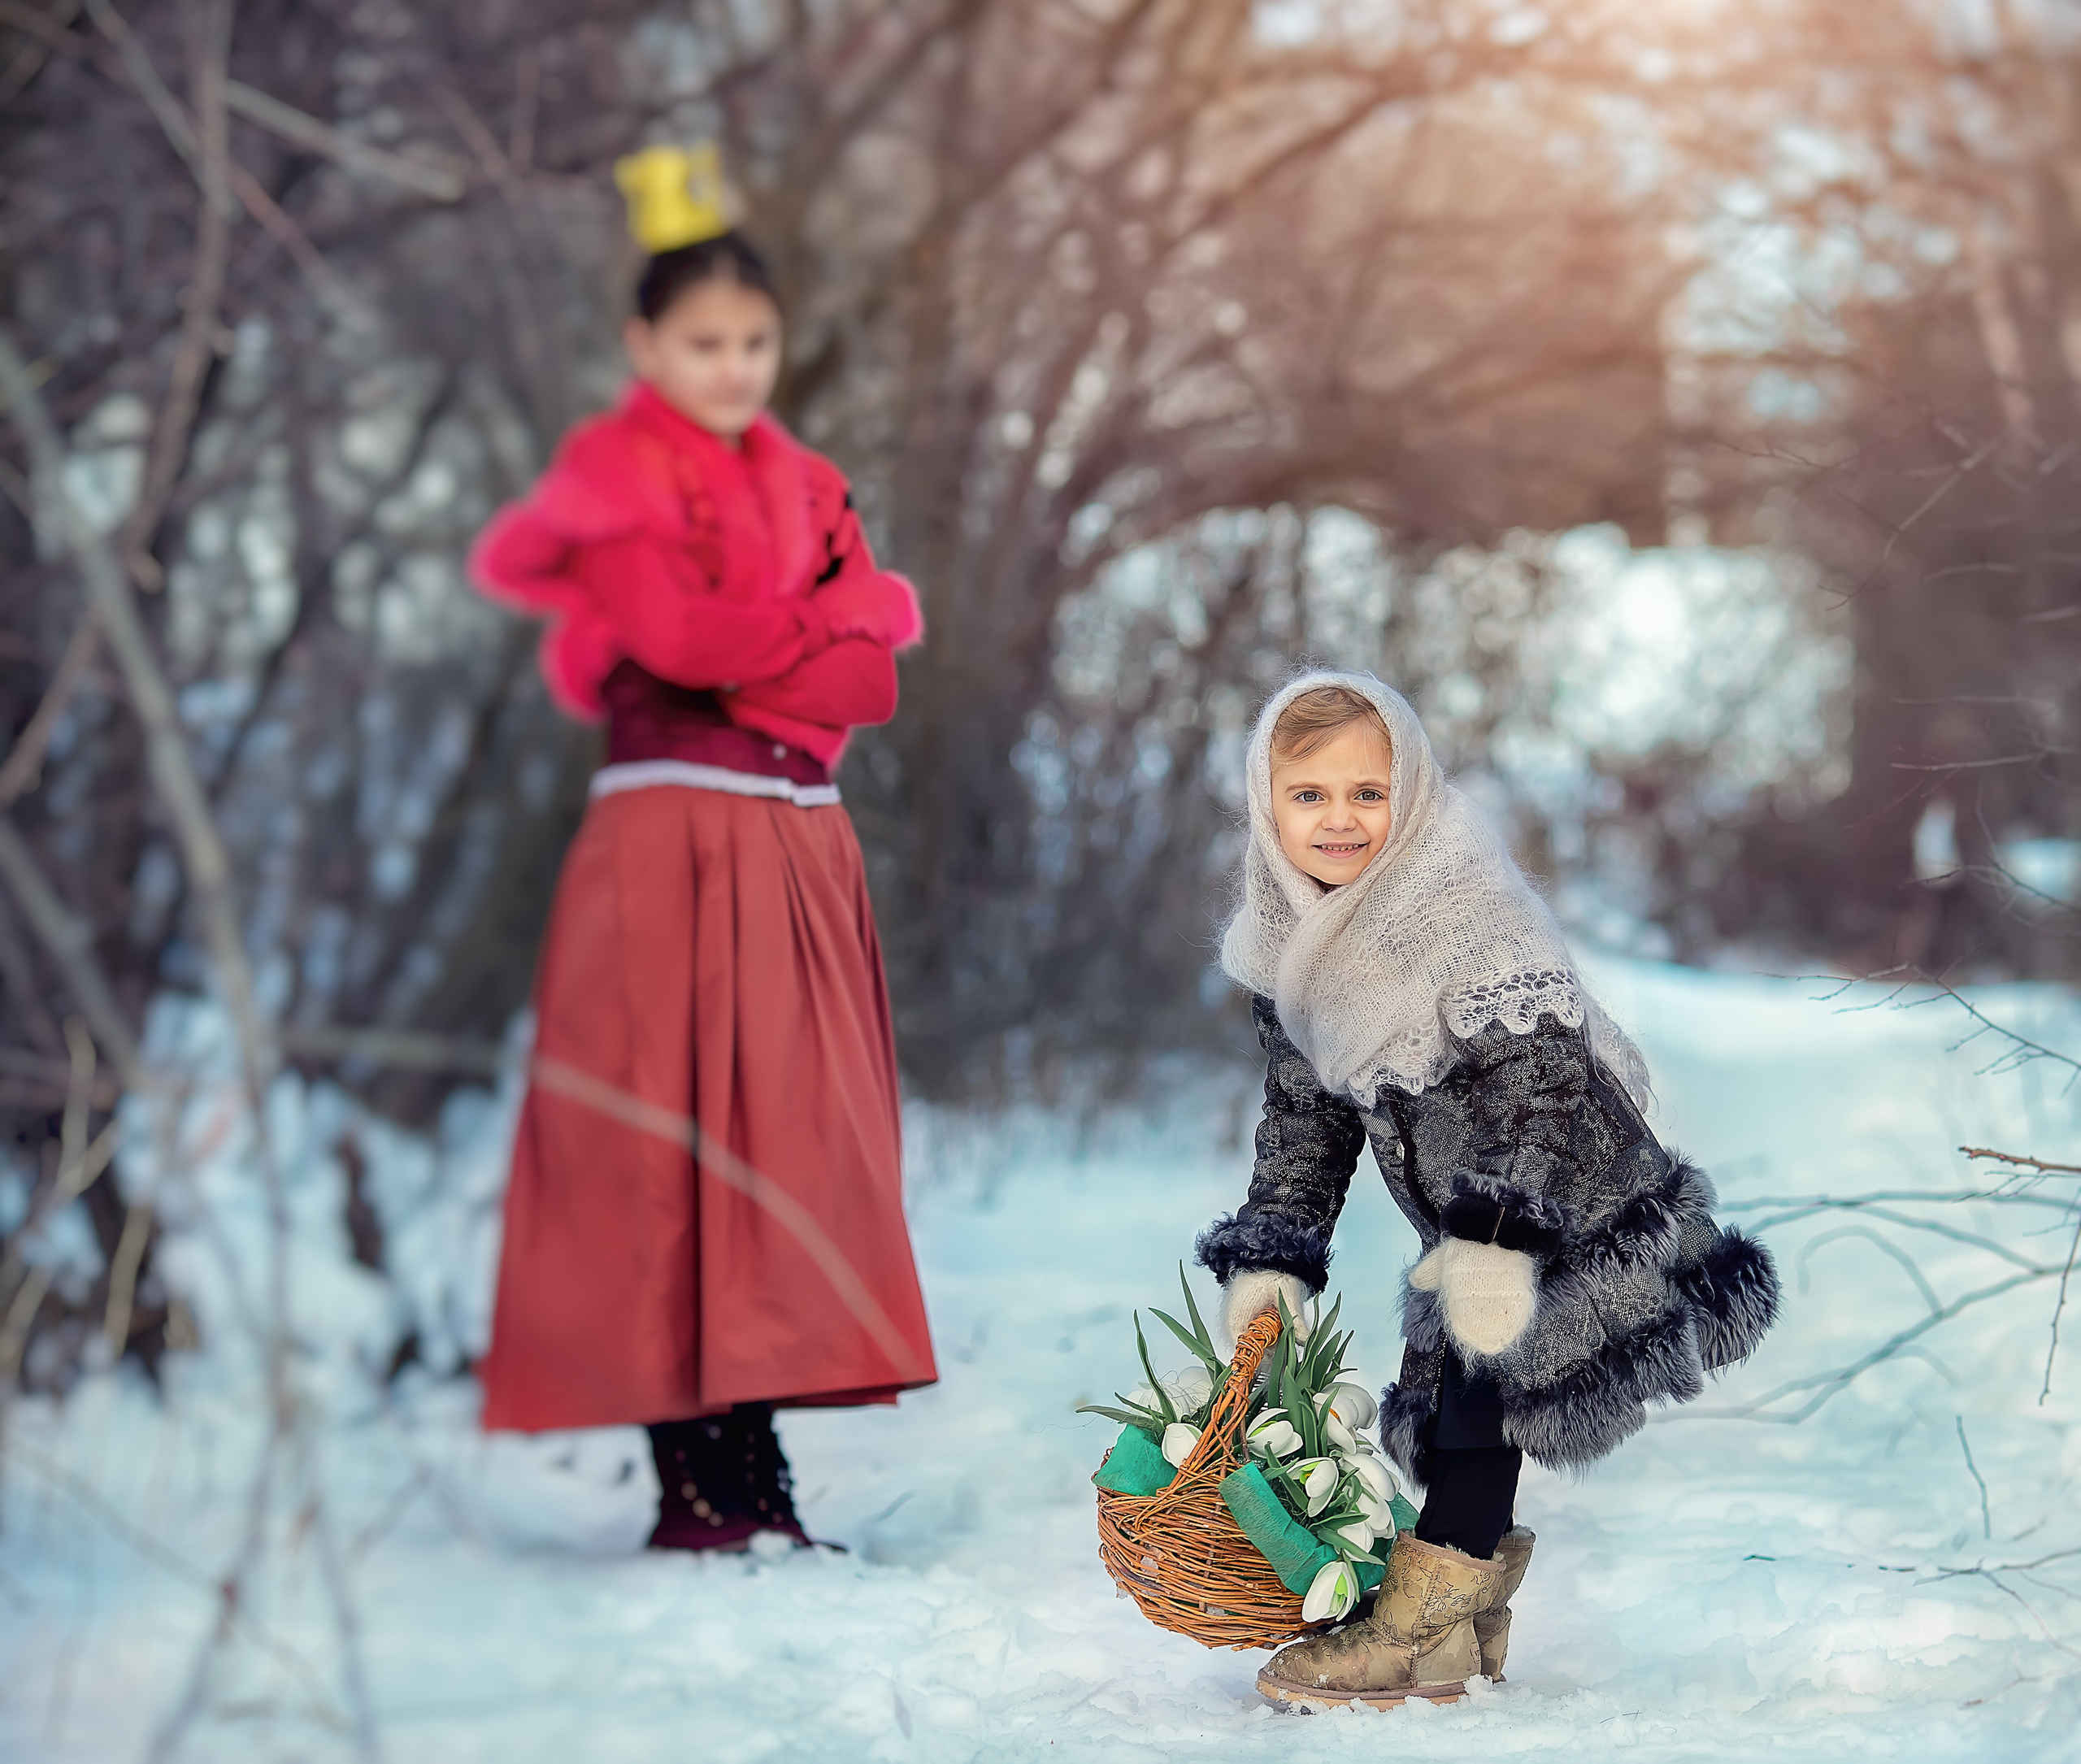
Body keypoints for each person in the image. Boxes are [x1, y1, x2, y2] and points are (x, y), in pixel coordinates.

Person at [467, 144, 937, 1553]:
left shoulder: (807, 484)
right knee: (665, 1144)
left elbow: (874, 686)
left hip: (794, 842)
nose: (733, 368)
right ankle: (697, 1484)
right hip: (667, 840)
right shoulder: (614, 474)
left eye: (754, 341)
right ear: (644, 345)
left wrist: (762, 656)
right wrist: (816, 633)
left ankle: (759, 1475)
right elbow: (668, 640)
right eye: (702, 343)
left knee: (780, 1148)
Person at [1197, 672, 1779, 1710]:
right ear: (1265, 802)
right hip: (1470, 1209)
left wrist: (1493, 1235)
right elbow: (1304, 1121)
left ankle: (1424, 1624)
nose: (1339, 820)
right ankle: (1461, 1616)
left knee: (1479, 1384)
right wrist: (1275, 1254)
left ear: (1410, 792)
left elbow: (1543, 1088)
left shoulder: (1462, 909)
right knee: (1468, 1390)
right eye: (1309, 795)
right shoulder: (1283, 940)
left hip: (1563, 1186)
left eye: (1367, 793)